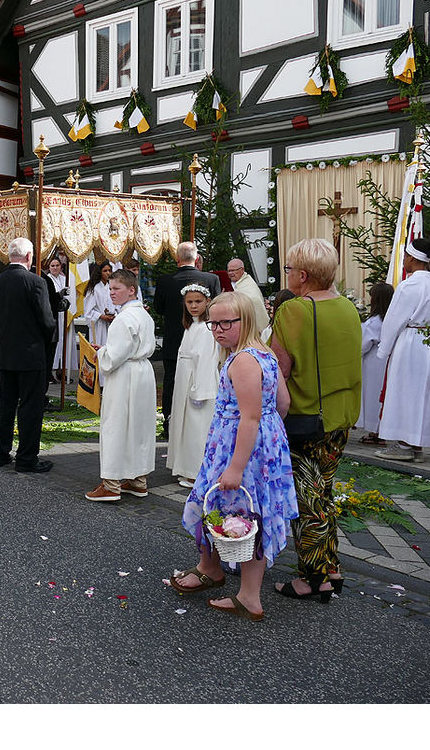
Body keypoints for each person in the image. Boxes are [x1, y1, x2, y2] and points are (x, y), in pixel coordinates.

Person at [171, 291, 299, 621]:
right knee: (245, 511)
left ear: (246, 320)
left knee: (239, 514)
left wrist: (238, 465)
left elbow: (250, 416)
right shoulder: (264, 352)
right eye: (214, 323)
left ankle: (248, 597)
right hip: (261, 444)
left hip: (240, 447)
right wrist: (270, 442)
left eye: (226, 322)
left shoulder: (242, 360)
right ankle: (210, 567)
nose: (218, 329)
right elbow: (282, 403)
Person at [270, 237, 361, 601]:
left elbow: (280, 370)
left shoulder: (294, 311)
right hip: (341, 418)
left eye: (289, 269)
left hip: (306, 420)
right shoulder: (348, 308)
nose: (287, 274)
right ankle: (332, 568)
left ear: (303, 275)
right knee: (323, 492)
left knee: (307, 501)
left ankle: (313, 578)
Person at [374, 233, 430, 462]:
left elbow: (394, 319)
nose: (403, 260)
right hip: (429, 341)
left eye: (406, 256)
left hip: (410, 342)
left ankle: (403, 444)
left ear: (413, 258)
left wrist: (384, 348)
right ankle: (416, 443)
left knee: (405, 392)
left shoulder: (409, 285)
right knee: (422, 393)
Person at [84, 269, 158, 501]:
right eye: (110, 288)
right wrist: (107, 351)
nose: (111, 293)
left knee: (116, 425)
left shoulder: (123, 318)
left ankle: (111, 483)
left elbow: (114, 357)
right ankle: (138, 479)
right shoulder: (144, 315)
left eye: (116, 288)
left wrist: (101, 353)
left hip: (125, 374)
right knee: (139, 427)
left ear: (131, 290)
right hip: (143, 373)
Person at [0, 238, 56, 473]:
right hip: (30, 354)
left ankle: (0, 452)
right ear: (29, 257)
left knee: (6, 403)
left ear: (10, 256)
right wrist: (45, 340)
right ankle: (27, 457)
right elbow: (47, 321)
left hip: (6, 352)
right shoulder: (36, 282)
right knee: (30, 406)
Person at [153, 241, 221, 420]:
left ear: (177, 258)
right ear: (197, 258)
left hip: (173, 339)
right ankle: (202, 420)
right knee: (202, 376)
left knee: (171, 383)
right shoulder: (211, 280)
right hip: (202, 340)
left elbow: (158, 308)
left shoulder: (165, 281)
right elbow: (218, 308)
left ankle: (169, 421)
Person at [166, 283, 223, 488]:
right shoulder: (192, 326)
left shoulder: (207, 328)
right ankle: (185, 466)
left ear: (207, 302)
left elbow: (207, 360)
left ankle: (198, 470)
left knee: (198, 427)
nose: (193, 306)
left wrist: (201, 390)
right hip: (185, 381)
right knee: (185, 426)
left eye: (198, 301)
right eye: (189, 302)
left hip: (198, 383)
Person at [357, 282, 394, 445]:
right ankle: (383, 429)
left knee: (373, 396)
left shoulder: (373, 322)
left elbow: (362, 345)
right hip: (389, 361)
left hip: (373, 363)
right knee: (385, 395)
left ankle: (376, 431)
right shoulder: (392, 319)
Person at [227, 258, 269, 334]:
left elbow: (254, 299)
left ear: (242, 270)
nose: (230, 273)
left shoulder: (248, 283)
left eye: (233, 270)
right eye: (229, 271)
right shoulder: (232, 283)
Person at [82, 261, 116, 349]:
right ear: (99, 272)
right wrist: (101, 316)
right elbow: (88, 311)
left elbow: (117, 305)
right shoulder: (93, 289)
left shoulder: (112, 287)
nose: (108, 273)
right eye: (105, 271)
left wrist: (114, 315)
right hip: (98, 325)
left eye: (109, 270)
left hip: (110, 324)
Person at [45, 256, 68, 379]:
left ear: (61, 266)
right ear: (49, 268)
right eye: (52, 266)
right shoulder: (47, 280)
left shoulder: (64, 279)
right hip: (53, 315)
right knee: (54, 344)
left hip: (64, 315)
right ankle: (49, 372)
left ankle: (61, 370)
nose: (55, 268)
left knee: (63, 344)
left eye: (57, 265)